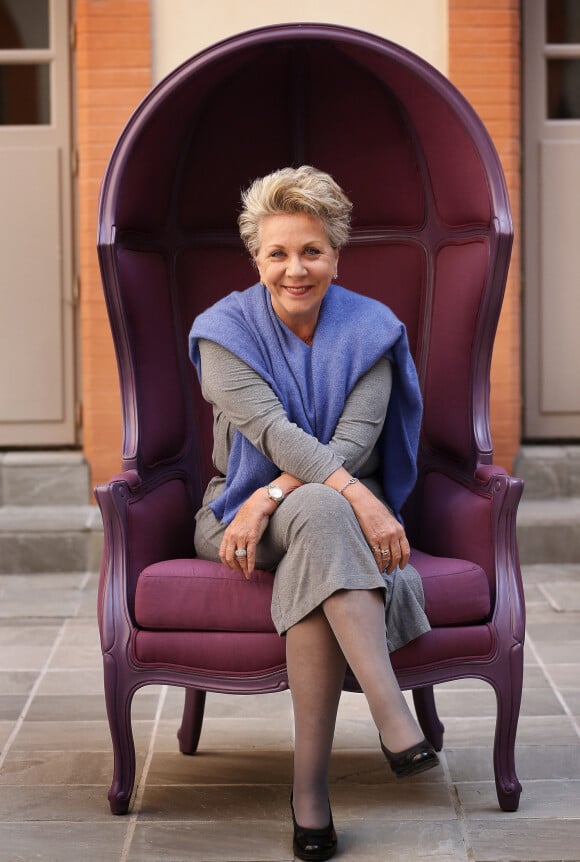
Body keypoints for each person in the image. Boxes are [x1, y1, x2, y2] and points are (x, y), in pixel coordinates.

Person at [189, 165, 439, 862]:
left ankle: (310, 797)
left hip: (313, 518)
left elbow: (355, 444)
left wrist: (291, 493)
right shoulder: (222, 332)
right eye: (278, 252)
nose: (294, 269)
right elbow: (271, 432)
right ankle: (394, 721)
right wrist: (279, 496)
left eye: (311, 250)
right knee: (334, 504)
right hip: (237, 516)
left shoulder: (373, 330)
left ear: (336, 254)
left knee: (325, 514)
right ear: (256, 258)